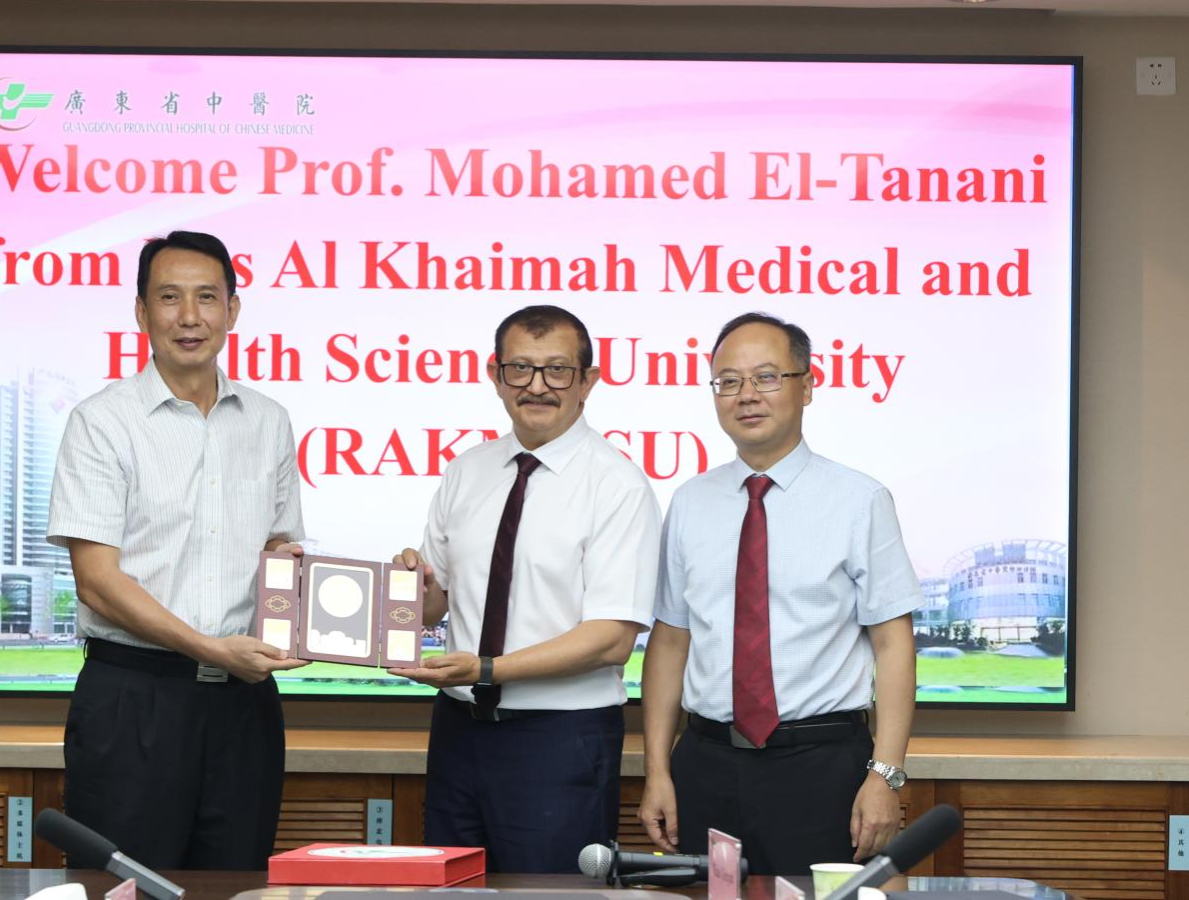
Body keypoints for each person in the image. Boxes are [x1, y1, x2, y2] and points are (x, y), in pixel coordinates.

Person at [47, 230, 308, 870]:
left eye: (206, 297)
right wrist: (209, 649)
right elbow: (97, 581)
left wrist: (306, 590)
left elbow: (278, 545)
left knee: (235, 882)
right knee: (122, 886)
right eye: (169, 298)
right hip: (134, 701)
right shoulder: (102, 421)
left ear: (232, 310)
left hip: (243, 709)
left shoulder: (269, 420)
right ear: (142, 312)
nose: (189, 317)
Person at [639, 311, 922, 875]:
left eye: (766, 377)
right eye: (728, 381)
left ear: (807, 386)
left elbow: (894, 646)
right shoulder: (690, 502)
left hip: (822, 767)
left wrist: (885, 775)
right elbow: (670, 642)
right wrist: (657, 771)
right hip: (706, 765)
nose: (746, 395)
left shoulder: (860, 500)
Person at [392, 304, 662, 874]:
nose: (537, 386)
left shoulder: (617, 486)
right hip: (458, 731)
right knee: (451, 888)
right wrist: (411, 588)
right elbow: (435, 607)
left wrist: (488, 670)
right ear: (496, 376)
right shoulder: (467, 470)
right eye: (520, 368)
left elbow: (612, 639)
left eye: (557, 370)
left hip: (560, 742)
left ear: (588, 381)